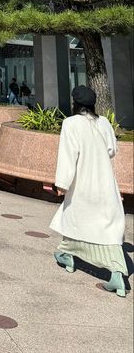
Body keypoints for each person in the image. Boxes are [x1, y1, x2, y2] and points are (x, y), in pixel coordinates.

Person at [50, 85, 127, 298]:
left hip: (83, 183)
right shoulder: (104, 123)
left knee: (75, 218)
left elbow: (68, 156)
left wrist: (62, 184)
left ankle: (67, 255)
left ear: (75, 103)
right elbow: (112, 150)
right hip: (105, 183)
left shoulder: (70, 123)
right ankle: (117, 272)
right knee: (107, 228)